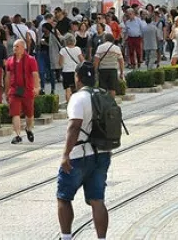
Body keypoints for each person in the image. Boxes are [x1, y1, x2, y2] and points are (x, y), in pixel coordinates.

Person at [57, 62, 111, 240]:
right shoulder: (103, 95)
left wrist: (66, 154)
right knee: (97, 200)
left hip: (79, 155)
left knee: (64, 197)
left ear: (77, 78)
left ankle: (66, 237)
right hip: (101, 153)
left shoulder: (77, 98)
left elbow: (74, 127)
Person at [5, 39, 40, 145]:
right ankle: (17, 135)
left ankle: (28, 129)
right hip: (14, 90)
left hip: (27, 90)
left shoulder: (31, 60)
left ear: (23, 47)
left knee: (29, 114)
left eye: (17, 47)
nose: (14, 49)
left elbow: (35, 75)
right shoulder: (10, 60)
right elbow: (7, 76)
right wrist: (6, 91)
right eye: (14, 47)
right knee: (15, 113)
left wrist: (37, 87)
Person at [93, 33, 124, 98]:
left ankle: (104, 102)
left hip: (102, 70)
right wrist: (121, 72)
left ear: (105, 39)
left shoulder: (100, 47)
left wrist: (95, 71)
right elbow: (121, 61)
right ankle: (112, 102)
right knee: (112, 88)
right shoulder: (117, 48)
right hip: (113, 69)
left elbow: (96, 60)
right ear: (112, 40)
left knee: (102, 88)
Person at [59, 33, 84, 102]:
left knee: (67, 89)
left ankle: (69, 105)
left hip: (66, 71)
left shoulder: (63, 50)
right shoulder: (77, 49)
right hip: (76, 71)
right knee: (76, 88)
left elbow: (60, 63)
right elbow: (82, 60)